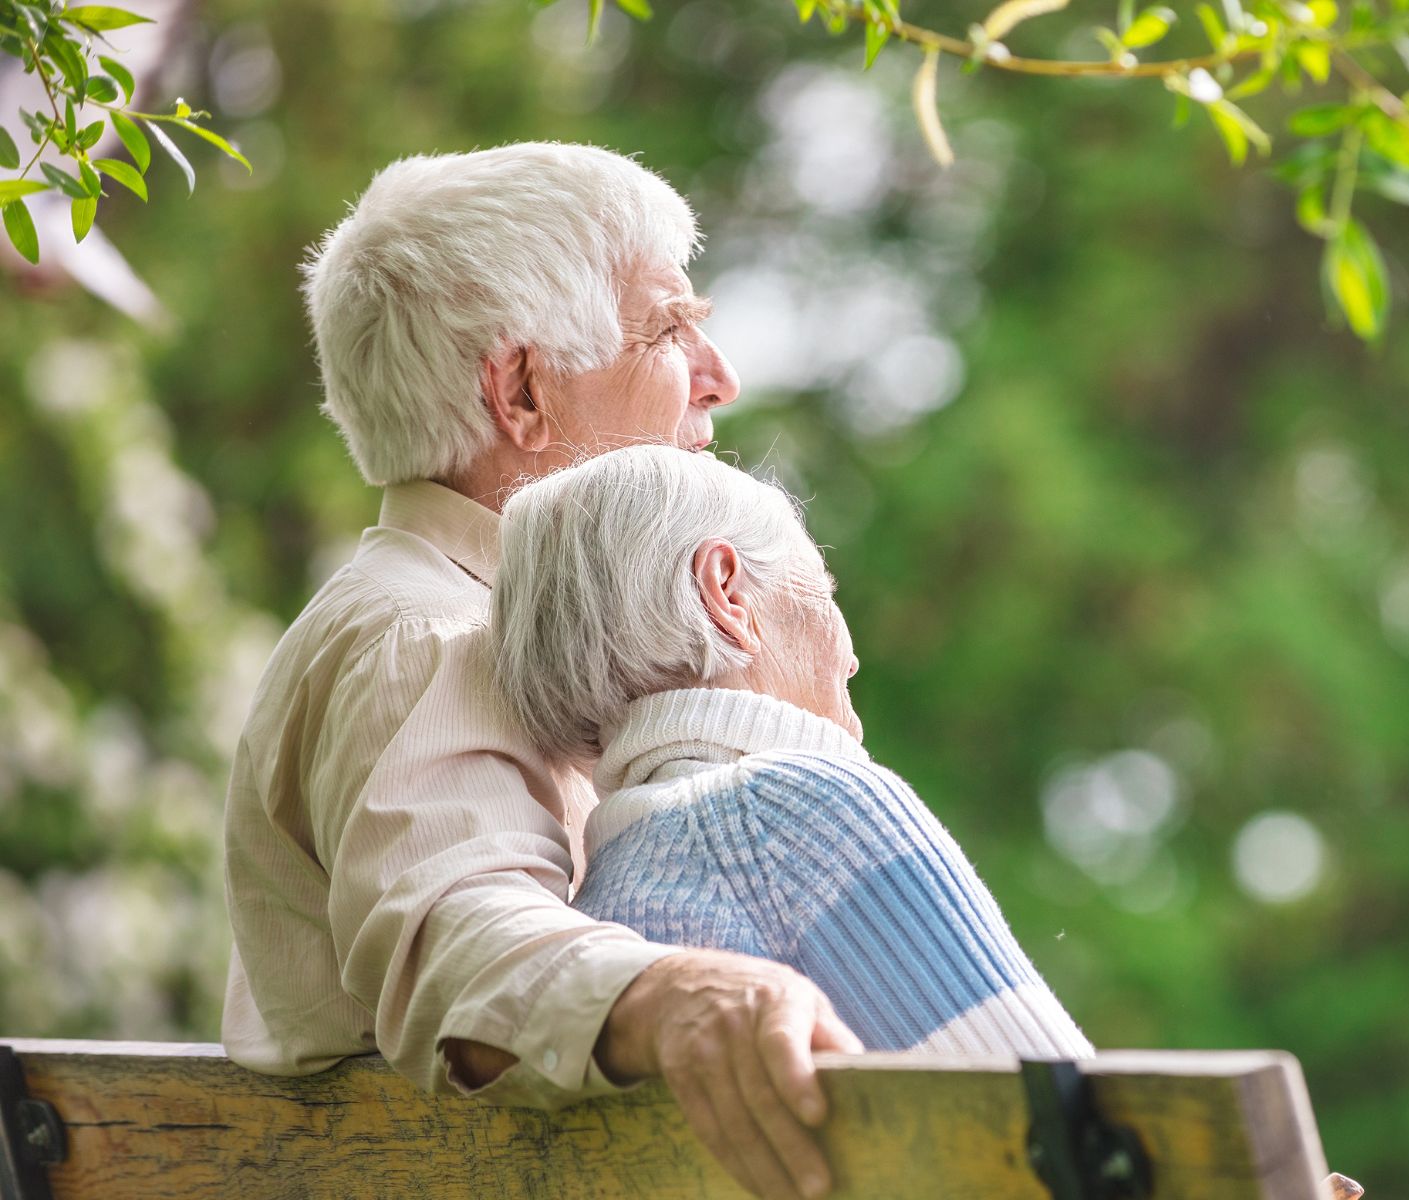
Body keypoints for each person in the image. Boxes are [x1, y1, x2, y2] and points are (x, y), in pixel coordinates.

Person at [221, 142, 859, 1200]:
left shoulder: (481, 621)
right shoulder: (426, 636)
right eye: (668, 329)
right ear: (520, 392)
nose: (720, 377)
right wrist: (677, 993)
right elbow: (454, 938)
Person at [489, 445, 1095, 1056]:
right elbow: (1065, 1116)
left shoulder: (596, 899)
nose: (851, 655)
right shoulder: (804, 810)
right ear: (726, 594)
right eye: (824, 589)